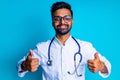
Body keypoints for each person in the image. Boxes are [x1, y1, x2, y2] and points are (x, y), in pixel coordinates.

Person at [17, 1, 111, 80]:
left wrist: (101, 66)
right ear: (52, 23)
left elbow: (108, 67)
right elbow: (19, 67)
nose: (62, 22)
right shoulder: (42, 48)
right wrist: (25, 65)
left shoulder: (85, 47)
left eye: (67, 18)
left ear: (72, 21)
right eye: (57, 19)